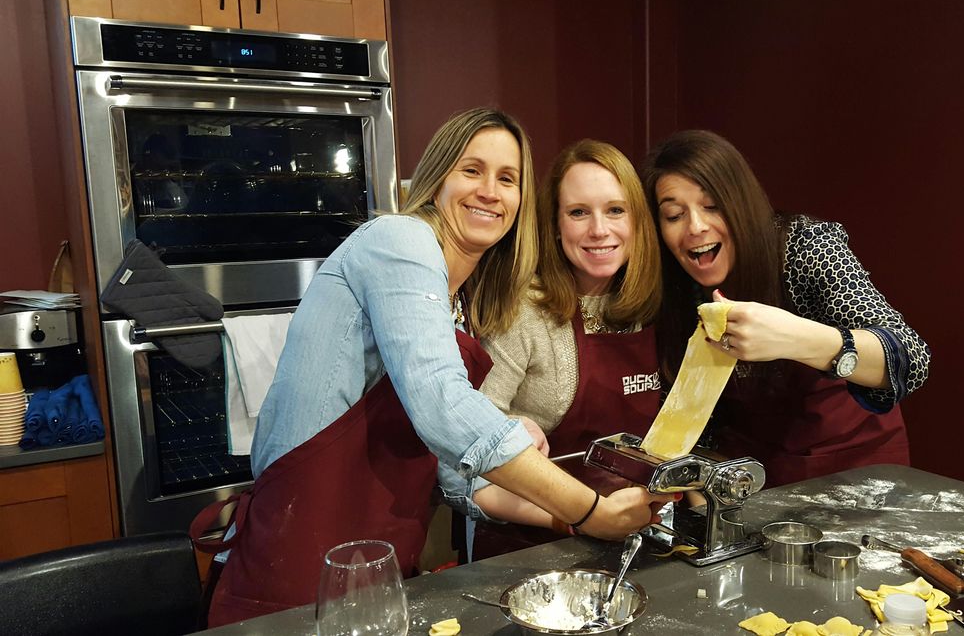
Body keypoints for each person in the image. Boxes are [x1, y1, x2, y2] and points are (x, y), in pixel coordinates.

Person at [193, 109, 673, 627]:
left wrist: (577, 520)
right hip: (295, 559)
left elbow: (456, 474)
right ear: (438, 177)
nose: (490, 190)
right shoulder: (398, 240)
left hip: (378, 568)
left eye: (507, 178)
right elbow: (444, 408)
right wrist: (589, 510)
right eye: (472, 170)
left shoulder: (458, 302)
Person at [641, 130, 931, 487]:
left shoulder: (804, 248)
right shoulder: (674, 284)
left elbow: (909, 357)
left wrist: (794, 337)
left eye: (713, 206)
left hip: (854, 474)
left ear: (741, 202)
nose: (696, 227)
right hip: (749, 479)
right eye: (674, 215)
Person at [470, 140, 663, 559]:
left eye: (615, 210)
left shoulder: (659, 306)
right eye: (578, 212)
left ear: (638, 221)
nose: (599, 229)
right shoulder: (524, 311)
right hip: (532, 551)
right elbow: (468, 468)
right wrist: (577, 517)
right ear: (555, 225)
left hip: (638, 545)